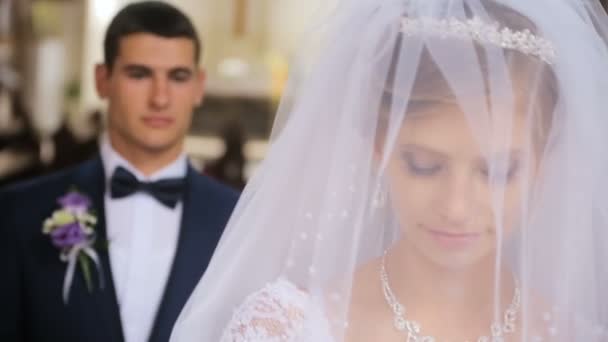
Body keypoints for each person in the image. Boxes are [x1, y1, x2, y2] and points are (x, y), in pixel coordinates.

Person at [170, 0, 608, 341]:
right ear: (380, 150)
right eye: (424, 166)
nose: (456, 207)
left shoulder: (577, 335)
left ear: (542, 167)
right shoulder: (283, 330)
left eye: (495, 173)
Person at [0, 2, 238, 342]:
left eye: (178, 76)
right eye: (139, 74)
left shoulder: (238, 221)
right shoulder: (19, 215)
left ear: (199, 86)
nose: (160, 98)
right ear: (103, 80)